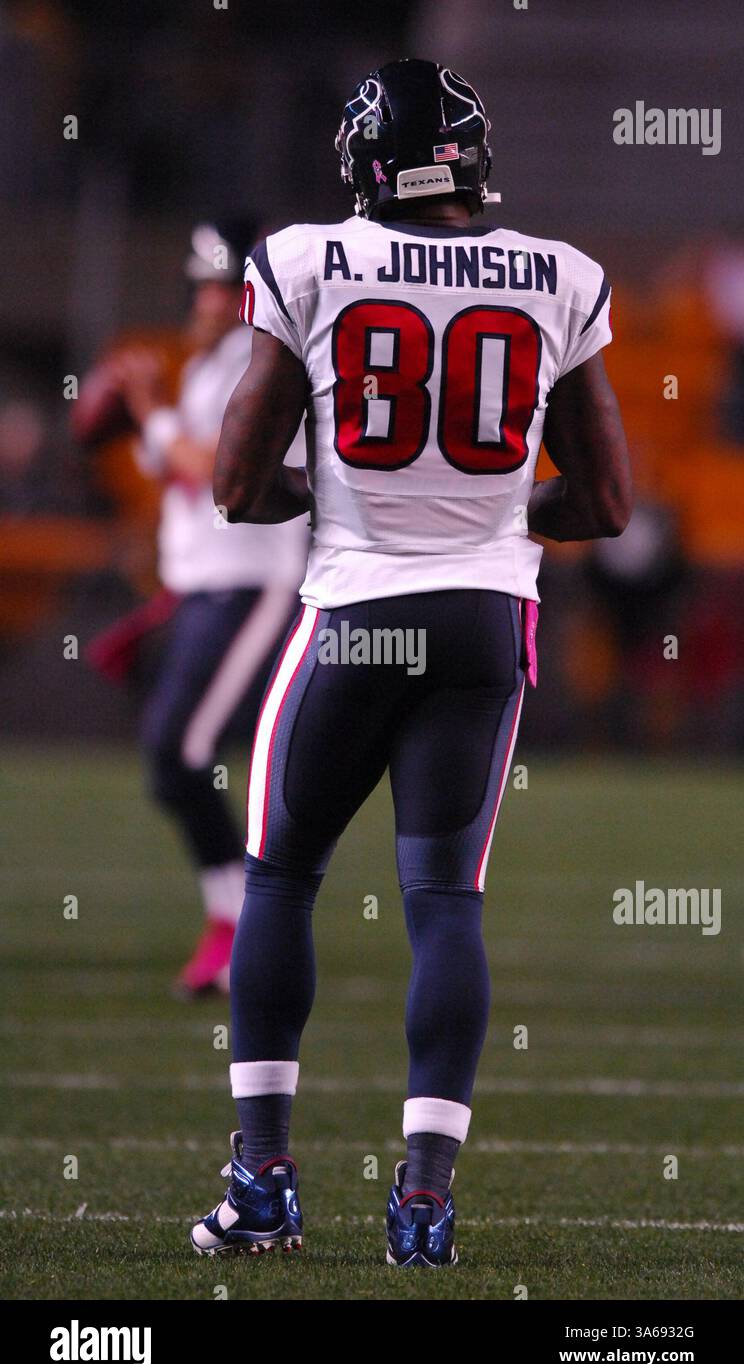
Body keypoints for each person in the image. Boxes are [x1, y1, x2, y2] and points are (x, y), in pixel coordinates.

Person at [190, 60, 631, 1265]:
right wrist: (477, 517)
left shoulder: (310, 259)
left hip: (352, 613)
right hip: (488, 621)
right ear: (475, 158)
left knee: (281, 878)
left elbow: (233, 487)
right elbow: (604, 503)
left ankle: (264, 1184)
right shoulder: (561, 274)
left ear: (370, 162)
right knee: (446, 903)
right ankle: (425, 1204)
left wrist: (354, 499)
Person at [87, 221, 308, 997]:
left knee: (180, 752)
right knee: (173, 759)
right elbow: (175, 470)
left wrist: (145, 406)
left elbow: (213, 470)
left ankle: (243, 920)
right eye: (204, 285)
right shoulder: (214, 364)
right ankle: (241, 915)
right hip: (204, 586)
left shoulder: (259, 359)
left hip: (253, 583)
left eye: (224, 286)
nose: (209, 300)